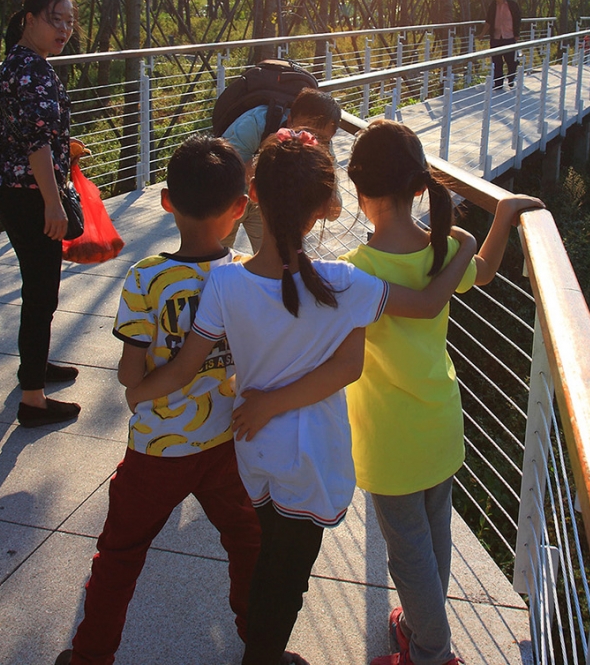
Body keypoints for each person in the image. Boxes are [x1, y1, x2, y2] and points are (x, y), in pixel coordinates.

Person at [137, 129, 478, 665]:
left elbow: (184, 366)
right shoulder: (348, 283)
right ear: (326, 207)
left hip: (254, 450)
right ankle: (263, 656)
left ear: (254, 200)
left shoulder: (225, 284)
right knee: (286, 575)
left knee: (267, 557)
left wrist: (137, 388)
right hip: (314, 462)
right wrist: (468, 246)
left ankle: (262, 649)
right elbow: (374, 347)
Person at [55, 136, 262, 665]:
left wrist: (145, 384)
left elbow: (131, 370)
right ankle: (262, 648)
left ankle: (91, 655)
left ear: (167, 201)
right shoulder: (247, 272)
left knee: (120, 554)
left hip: (157, 449)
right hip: (227, 443)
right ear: (241, 206)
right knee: (249, 545)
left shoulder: (147, 276)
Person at [344, 120, 542, 665]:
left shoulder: (357, 271)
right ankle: (414, 625)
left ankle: (433, 653)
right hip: (440, 421)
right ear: (417, 187)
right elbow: (483, 274)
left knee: (409, 558)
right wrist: (497, 219)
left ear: (359, 192)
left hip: (389, 440)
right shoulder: (440, 252)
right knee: (433, 543)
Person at [0, 0, 82, 428]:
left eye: (69, 21)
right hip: (29, 194)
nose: (64, 29)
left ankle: (36, 366)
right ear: (30, 19)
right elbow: (36, 144)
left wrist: (67, 148)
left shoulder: (23, 62)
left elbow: (31, 133)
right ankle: (33, 399)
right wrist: (53, 203)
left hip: (17, 188)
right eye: (55, 19)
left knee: (40, 288)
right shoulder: (31, 71)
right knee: (41, 290)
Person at [220, 87, 343, 253]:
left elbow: (334, 213)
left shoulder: (324, 148)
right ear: (290, 120)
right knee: (216, 255)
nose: (309, 140)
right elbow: (223, 175)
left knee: (277, 256)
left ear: (331, 136)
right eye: (304, 131)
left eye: (320, 138)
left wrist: (328, 191)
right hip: (229, 196)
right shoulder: (255, 124)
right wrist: (267, 155)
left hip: (268, 201)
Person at [485, 0, 522, 90]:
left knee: (511, 60)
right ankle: (498, 84)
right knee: (497, 62)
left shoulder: (512, 5)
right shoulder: (493, 5)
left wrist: (517, 34)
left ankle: (511, 78)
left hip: (509, 36)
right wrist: (482, 34)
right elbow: (488, 21)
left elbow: (517, 19)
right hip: (496, 37)